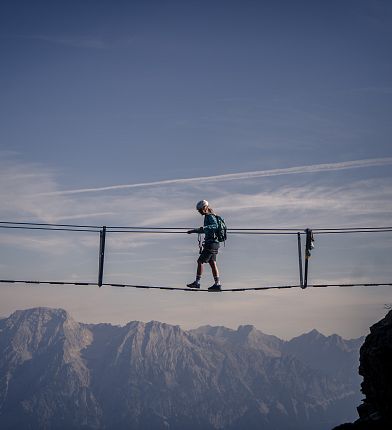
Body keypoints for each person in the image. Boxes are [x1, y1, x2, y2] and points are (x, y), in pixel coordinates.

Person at [187, 200, 222, 291]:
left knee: (200, 261)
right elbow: (206, 229)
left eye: (200, 210)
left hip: (210, 243)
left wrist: (205, 228)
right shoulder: (208, 216)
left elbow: (215, 226)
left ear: (205, 208)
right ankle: (217, 284)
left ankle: (197, 282)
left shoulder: (210, 216)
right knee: (212, 262)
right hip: (214, 243)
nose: (199, 212)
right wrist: (193, 231)